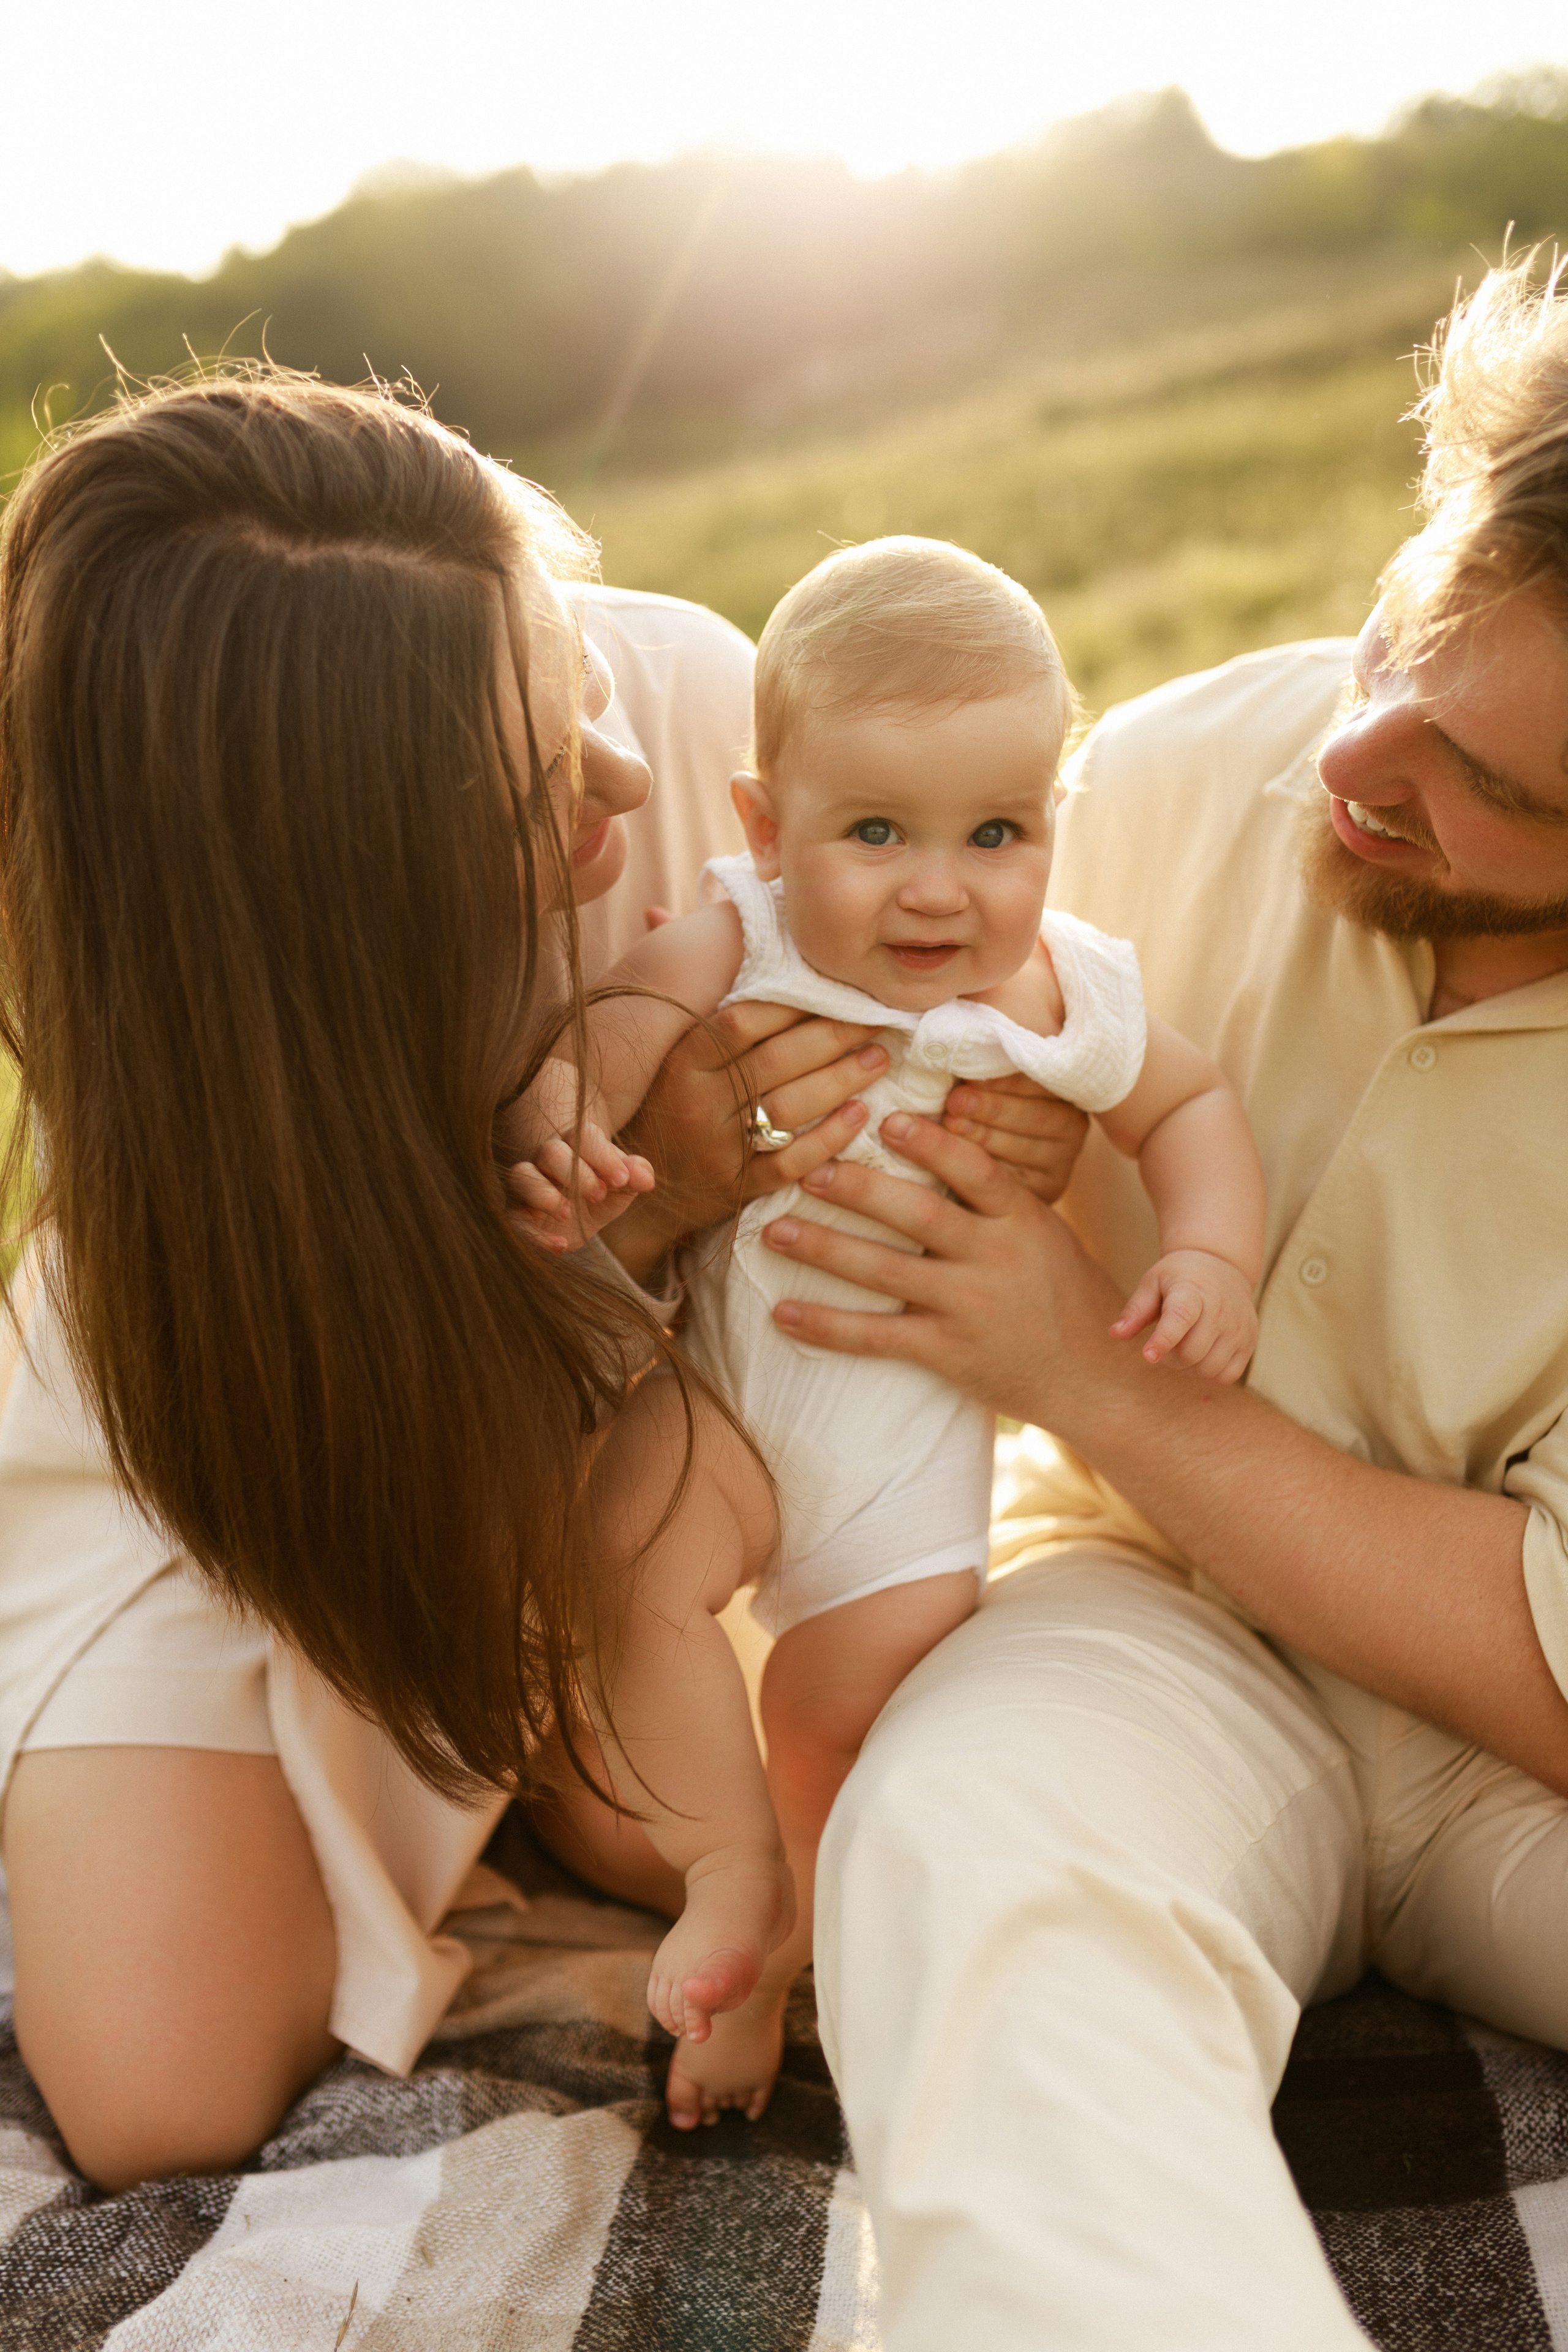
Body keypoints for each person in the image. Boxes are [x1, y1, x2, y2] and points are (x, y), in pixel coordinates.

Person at [0, 369, 1073, 2193]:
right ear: (340, 907)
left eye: (570, 668)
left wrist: (976, 1133)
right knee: (165, 2086)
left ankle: (545, 1712)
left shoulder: (706, 725)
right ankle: (496, 1712)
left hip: (644, 1424)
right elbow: (367, 1423)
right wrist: (650, 1218)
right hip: (236, 1396)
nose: (628, 777)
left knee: (745, 1812)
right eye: (530, 793)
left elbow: (1016, 1011)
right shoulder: (189, 1064)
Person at [753, 253, 1568, 2348]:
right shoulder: (1202, 764)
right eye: (1403, 631)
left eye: (1493, 782)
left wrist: (1078, 1369)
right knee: (972, 1873)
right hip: (1154, 1622)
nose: (1356, 745)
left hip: (1524, 1762)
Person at [520, 536, 1264, 2130]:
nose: (942, 885)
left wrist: (1210, 1253)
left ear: (1051, 823)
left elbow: (1188, 1102)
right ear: (761, 827)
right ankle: (729, 1883)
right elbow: (634, 1009)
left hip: (902, 1471)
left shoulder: (1066, 994)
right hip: (727, 1405)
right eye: (874, 831)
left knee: (838, 1718)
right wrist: (572, 1103)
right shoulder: (750, 927)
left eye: (998, 832)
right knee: (630, 1572)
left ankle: (808, 1959)